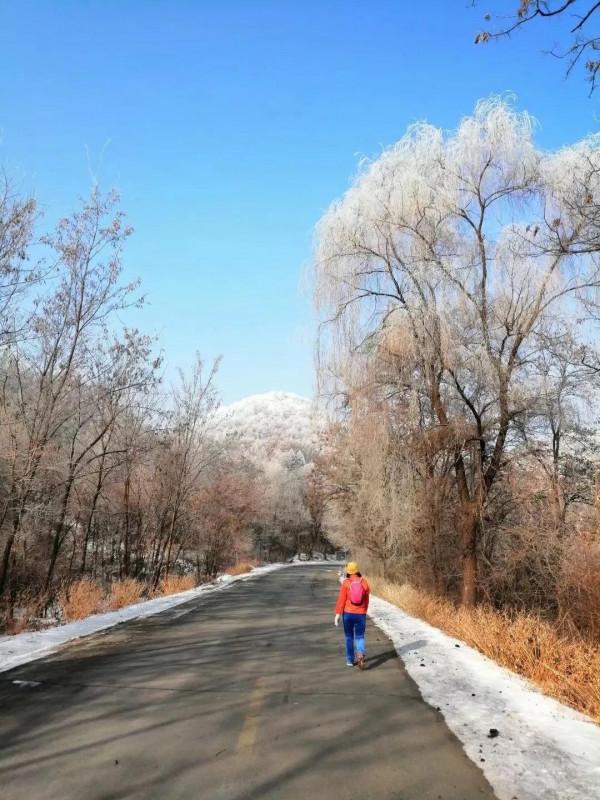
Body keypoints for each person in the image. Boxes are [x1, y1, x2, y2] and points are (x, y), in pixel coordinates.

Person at [334, 561, 370, 668]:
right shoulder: (364, 582)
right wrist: (364, 610)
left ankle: (350, 660)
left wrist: (337, 614)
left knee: (349, 637)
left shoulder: (346, 583)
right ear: (357, 570)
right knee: (360, 636)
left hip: (348, 614)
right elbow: (367, 600)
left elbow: (341, 600)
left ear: (348, 571)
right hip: (360, 614)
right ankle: (360, 653)